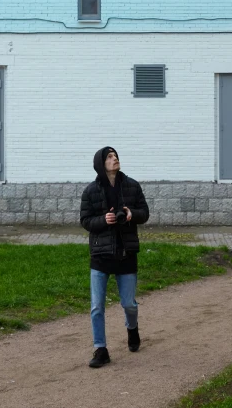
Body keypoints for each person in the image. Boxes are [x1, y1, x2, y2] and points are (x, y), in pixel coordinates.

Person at [80, 146, 149, 368]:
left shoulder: (132, 185)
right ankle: (101, 349)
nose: (115, 158)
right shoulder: (90, 191)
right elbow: (85, 221)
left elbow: (144, 213)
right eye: (109, 157)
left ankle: (132, 329)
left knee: (129, 303)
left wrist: (131, 215)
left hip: (126, 254)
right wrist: (103, 220)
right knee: (97, 306)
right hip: (100, 255)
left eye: (116, 155)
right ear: (101, 163)